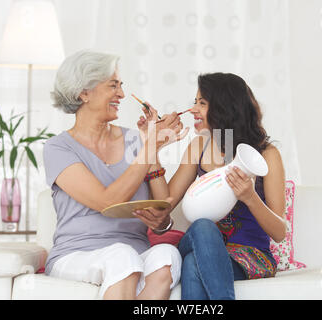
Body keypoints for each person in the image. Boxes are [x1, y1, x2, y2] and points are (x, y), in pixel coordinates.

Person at [43, 50, 187, 300]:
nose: (121, 94)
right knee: (121, 256)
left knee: (167, 255)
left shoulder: (135, 140)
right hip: (76, 254)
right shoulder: (58, 148)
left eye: (121, 86)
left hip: (135, 252)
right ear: (83, 92)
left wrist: (161, 220)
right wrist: (150, 146)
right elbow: (107, 202)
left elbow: (163, 211)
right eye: (113, 86)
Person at [141, 72, 287, 300]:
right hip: (199, 239)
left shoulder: (267, 155)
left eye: (202, 103)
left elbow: (280, 232)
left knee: (192, 264)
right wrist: (153, 147)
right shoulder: (199, 146)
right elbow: (165, 203)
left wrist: (250, 197)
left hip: (251, 255)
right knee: (202, 227)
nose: (193, 110)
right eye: (195, 102)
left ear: (224, 107)